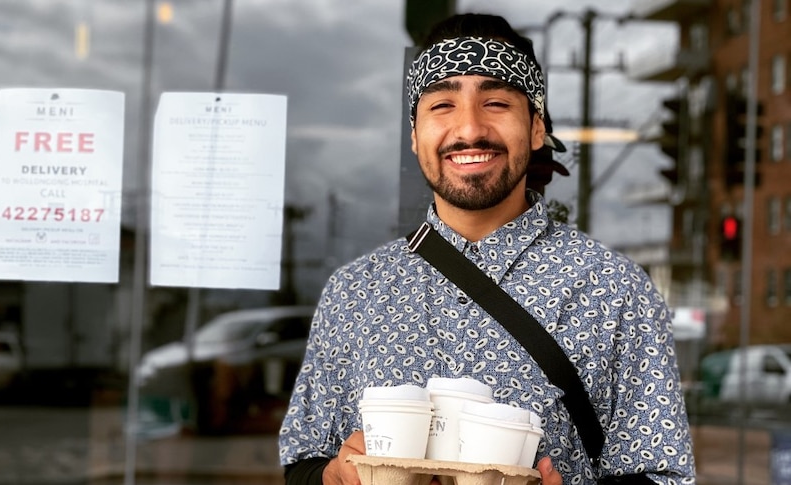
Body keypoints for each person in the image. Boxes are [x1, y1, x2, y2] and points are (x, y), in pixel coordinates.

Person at [279, 12, 696, 485]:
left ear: (536, 128)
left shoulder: (616, 290)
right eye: (442, 106)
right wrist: (332, 477)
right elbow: (304, 459)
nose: (470, 128)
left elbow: (660, 476)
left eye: (496, 101)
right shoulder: (353, 293)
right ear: (414, 136)